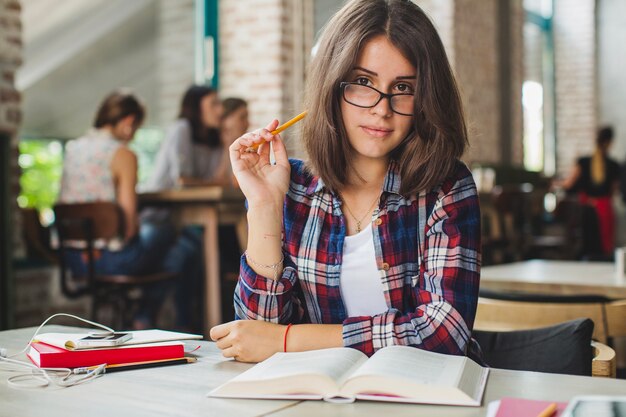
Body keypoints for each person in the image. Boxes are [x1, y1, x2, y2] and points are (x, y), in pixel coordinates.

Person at [210, 0, 481, 363]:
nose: (381, 109)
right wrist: (264, 208)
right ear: (332, 87)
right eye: (363, 82)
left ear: (426, 99)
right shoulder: (290, 188)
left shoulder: (447, 187)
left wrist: (287, 340)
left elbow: (443, 335)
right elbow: (256, 337)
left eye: (402, 87)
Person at [58, 90, 177, 329]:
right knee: (174, 238)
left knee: (176, 249)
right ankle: (143, 317)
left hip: (74, 261)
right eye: (136, 128)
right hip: (115, 261)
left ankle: (140, 317)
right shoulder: (122, 154)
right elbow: (130, 228)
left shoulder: (73, 149)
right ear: (128, 122)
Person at [146, 85, 228, 190]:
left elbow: (219, 179)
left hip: (193, 200)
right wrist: (211, 183)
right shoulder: (181, 128)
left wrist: (228, 143)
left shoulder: (214, 136)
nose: (221, 110)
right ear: (196, 107)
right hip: (162, 201)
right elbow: (182, 181)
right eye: (214, 104)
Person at [561, 126, 619, 257]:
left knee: (587, 249)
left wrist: (555, 184)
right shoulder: (614, 165)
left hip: (586, 211)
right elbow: (613, 190)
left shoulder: (583, 162)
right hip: (604, 211)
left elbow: (568, 185)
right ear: (610, 142)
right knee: (603, 252)